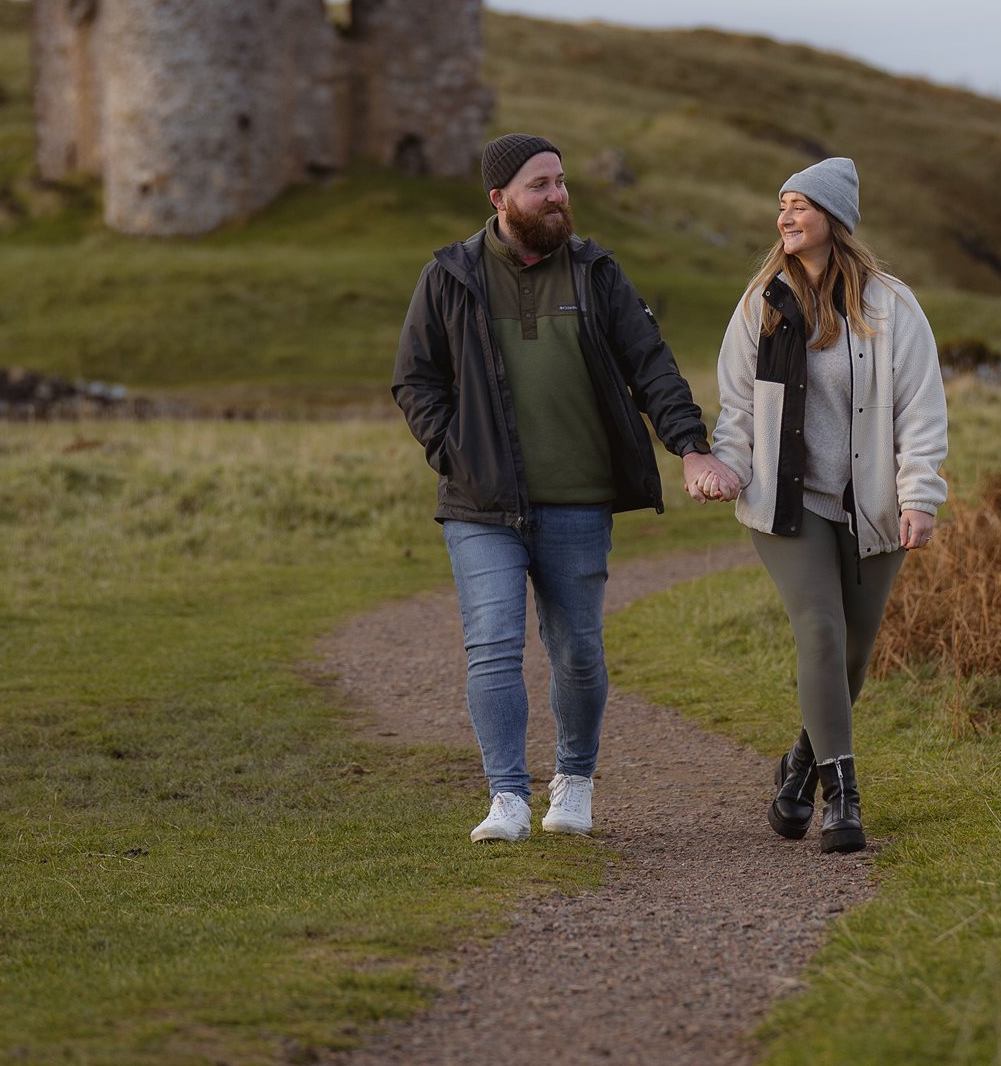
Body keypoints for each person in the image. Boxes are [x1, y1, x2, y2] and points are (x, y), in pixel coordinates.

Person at [392, 132, 739, 844]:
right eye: (539, 185)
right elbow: (414, 379)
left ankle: (574, 781)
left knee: (576, 647)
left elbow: (653, 367)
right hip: (480, 503)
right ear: (500, 199)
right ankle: (507, 798)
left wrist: (691, 448)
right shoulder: (452, 275)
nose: (558, 196)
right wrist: (452, 449)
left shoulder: (595, 272)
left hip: (578, 499)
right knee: (492, 643)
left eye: (560, 181)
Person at [706, 157, 947, 852]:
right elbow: (739, 406)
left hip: (871, 506)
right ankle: (843, 798)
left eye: (800, 205)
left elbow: (921, 408)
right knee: (819, 630)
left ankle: (798, 770)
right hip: (787, 502)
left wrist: (919, 495)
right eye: (781, 204)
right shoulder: (763, 302)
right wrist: (727, 466)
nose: (785, 216)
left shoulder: (889, 305)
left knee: (851, 655)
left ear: (833, 219)